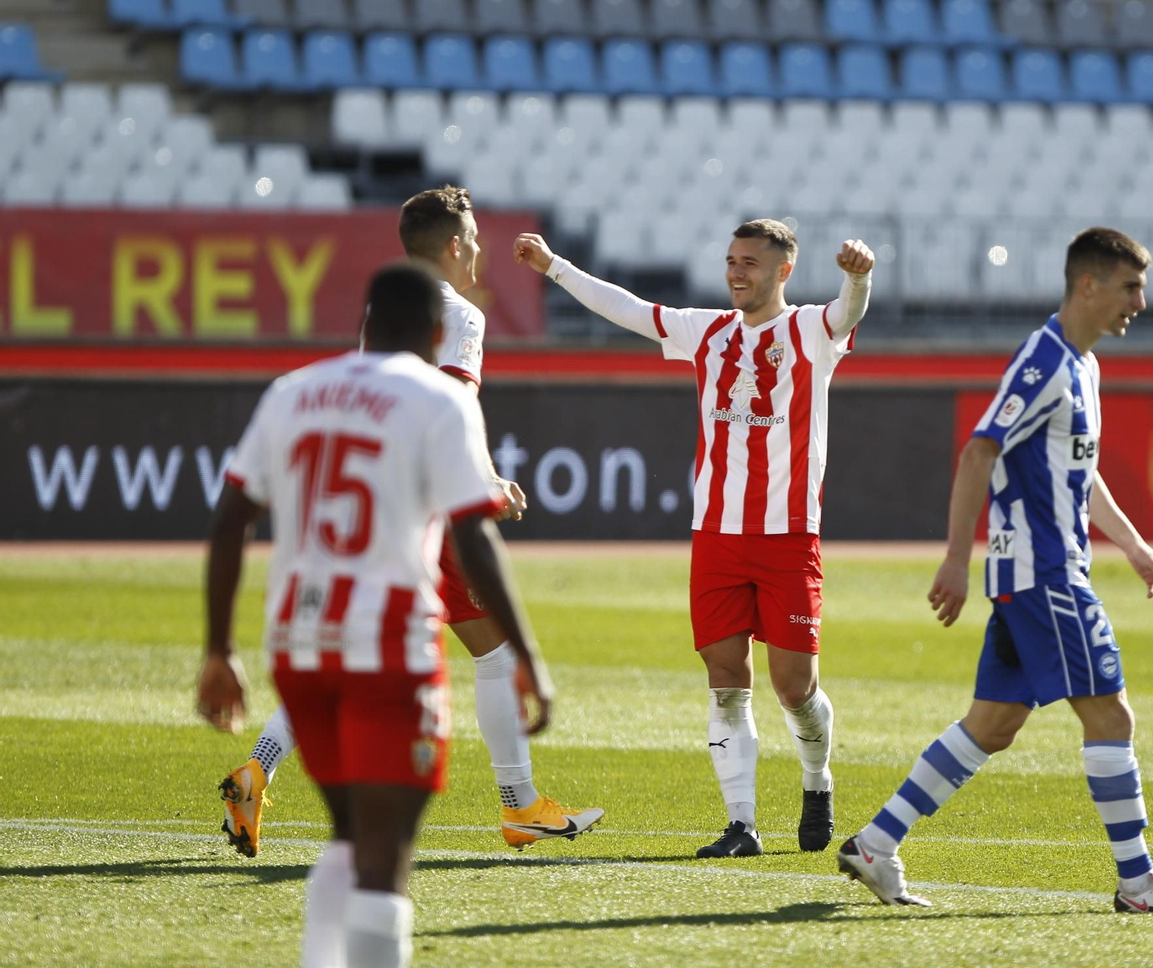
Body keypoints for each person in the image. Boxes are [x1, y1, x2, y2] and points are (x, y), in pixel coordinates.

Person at [836, 227, 1153, 914]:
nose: (1140, 302)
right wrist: (955, 559)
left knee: (991, 725)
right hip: (1046, 575)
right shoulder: (1045, 361)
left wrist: (1135, 547)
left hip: (1034, 577)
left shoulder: (1084, 365)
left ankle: (875, 842)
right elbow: (978, 453)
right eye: (1130, 287)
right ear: (1089, 285)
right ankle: (1139, 883)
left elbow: (1079, 471)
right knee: (1110, 715)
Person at [220, 187, 601, 856]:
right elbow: (450, 406)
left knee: (344, 653)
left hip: (376, 504)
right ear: (454, 245)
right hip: (432, 509)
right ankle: (519, 805)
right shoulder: (460, 313)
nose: (478, 251)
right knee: (495, 653)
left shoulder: (381, 311)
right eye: (473, 239)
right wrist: (486, 482)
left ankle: (258, 767)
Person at [196, 262, 557, 968]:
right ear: (435, 328)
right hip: (390, 645)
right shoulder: (438, 398)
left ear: (366, 320)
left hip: (299, 643)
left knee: (349, 836)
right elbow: (474, 537)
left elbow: (231, 516)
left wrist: (218, 648)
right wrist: (526, 654)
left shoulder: (292, 392)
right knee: (385, 857)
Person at [513, 219, 872, 858]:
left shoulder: (810, 330)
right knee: (726, 679)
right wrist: (554, 268)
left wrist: (858, 276)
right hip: (716, 537)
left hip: (788, 536)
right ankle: (741, 824)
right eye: (732, 260)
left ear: (784, 271)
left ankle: (817, 780)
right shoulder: (706, 330)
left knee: (795, 688)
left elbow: (848, 312)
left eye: (751, 263)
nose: (737, 272)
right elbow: (629, 309)